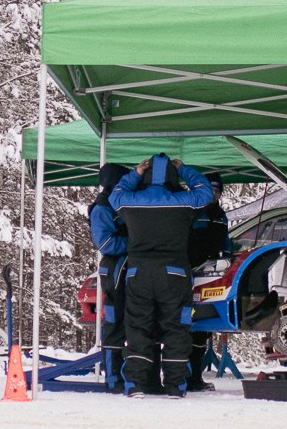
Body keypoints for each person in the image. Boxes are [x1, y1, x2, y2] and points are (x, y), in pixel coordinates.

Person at [109, 154, 217, 396]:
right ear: (171, 176)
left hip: (138, 273)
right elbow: (206, 191)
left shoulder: (130, 202)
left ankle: (135, 384)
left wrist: (134, 173)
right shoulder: (183, 201)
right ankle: (175, 386)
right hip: (174, 273)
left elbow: (115, 194)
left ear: (147, 176)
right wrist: (185, 169)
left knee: (138, 327)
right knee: (176, 327)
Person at [89, 162, 132, 390]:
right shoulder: (102, 207)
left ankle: (128, 374)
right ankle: (113, 378)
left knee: (132, 321)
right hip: (114, 268)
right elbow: (105, 242)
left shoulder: (119, 204)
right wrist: (135, 242)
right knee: (114, 323)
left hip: (127, 266)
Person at [183, 195, 231, 390]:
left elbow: (225, 242)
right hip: (190, 271)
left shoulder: (221, 215)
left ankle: (195, 378)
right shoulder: (193, 210)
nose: (213, 194)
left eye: (217, 190)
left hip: (213, 274)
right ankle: (184, 377)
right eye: (209, 189)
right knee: (189, 324)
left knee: (203, 329)